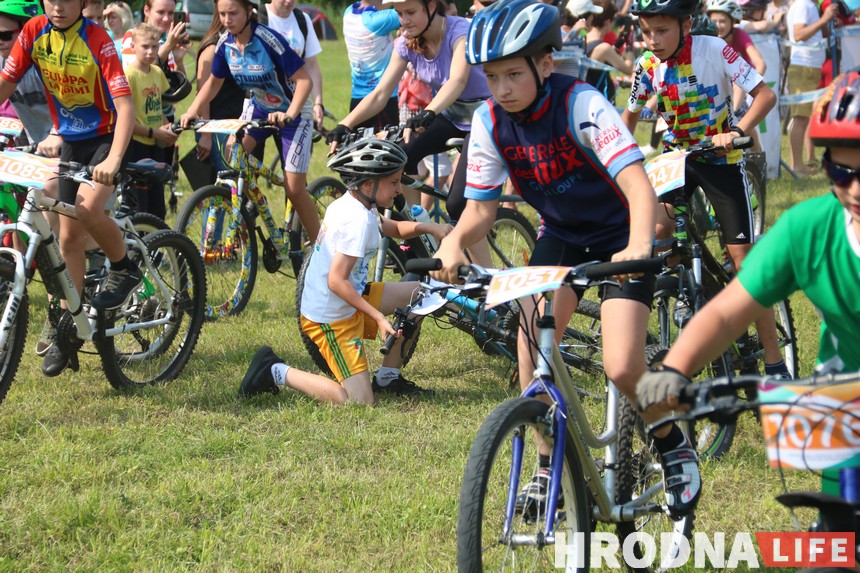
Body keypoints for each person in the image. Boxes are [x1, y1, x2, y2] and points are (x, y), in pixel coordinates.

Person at [433, 0, 700, 519]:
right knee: (531, 346)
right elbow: (481, 210)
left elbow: (638, 188)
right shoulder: (490, 120)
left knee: (622, 365)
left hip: (623, 229)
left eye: (513, 73)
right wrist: (452, 241)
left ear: (545, 66)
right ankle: (545, 467)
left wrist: (638, 248)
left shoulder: (582, 104)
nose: (502, 87)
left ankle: (671, 442)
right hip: (561, 232)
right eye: (492, 76)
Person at [637, 69, 860, 498]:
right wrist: (672, 369)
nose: (854, 188)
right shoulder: (808, 229)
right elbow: (724, 313)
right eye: (839, 168)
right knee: (835, 549)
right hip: (844, 407)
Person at [622, 0, 790, 381]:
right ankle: (685, 293)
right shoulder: (646, 65)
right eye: (646, 32)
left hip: (720, 157)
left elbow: (765, 96)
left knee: (744, 262)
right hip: (675, 158)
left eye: (661, 31)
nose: (653, 40)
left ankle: (774, 360)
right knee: (659, 233)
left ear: (685, 24)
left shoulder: (714, 49)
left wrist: (738, 132)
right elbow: (628, 118)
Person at [238, 138, 452, 403]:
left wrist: (429, 227)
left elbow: (389, 227)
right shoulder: (356, 221)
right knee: (358, 401)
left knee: (421, 294)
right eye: (394, 182)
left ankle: (388, 378)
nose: (399, 189)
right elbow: (336, 281)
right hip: (330, 317)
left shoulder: (357, 204)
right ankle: (274, 370)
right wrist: (378, 317)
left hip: (350, 298)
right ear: (367, 183)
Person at [0, 0, 139, 376]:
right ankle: (70, 329)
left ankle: (125, 268)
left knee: (87, 209)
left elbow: (125, 107)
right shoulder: (33, 32)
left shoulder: (98, 40)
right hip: (70, 141)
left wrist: (112, 161)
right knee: (66, 237)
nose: (58, 6)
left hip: (108, 138)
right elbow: (5, 84)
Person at [327, 0, 491, 221]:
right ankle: (417, 226)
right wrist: (345, 124)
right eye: (399, 13)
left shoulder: (459, 31)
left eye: (411, 12)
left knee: (456, 205)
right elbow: (380, 93)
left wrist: (429, 111)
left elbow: (458, 81)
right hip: (451, 116)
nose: (404, 20)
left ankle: (474, 253)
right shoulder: (406, 42)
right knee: (399, 155)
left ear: (431, 7)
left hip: (484, 119)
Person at [180, 0, 320, 242]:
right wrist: (192, 110)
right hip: (260, 107)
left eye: (233, 13)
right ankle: (250, 218)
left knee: (294, 189)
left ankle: (321, 244)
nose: (226, 20)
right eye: (222, 14)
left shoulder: (268, 40)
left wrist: (289, 114)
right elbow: (213, 82)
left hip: (294, 112)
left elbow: (304, 81)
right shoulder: (225, 43)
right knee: (232, 156)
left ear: (249, 10)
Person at [123, 22, 178, 219]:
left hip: (157, 144)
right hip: (137, 146)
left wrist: (166, 128)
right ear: (133, 46)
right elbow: (125, 121)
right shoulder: (129, 75)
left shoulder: (157, 72)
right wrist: (154, 132)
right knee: (139, 204)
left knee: (157, 204)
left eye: (155, 46)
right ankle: (138, 246)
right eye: (145, 46)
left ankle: (158, 246)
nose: (150, 51)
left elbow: (159, 105)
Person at [785, 0, 838, 174]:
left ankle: (798, 164)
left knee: (803, 117)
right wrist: (825, 19)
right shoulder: (804, 5)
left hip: (808, 67)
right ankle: (797, 166)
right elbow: (799, 34)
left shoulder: (806, 5)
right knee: (800, 118)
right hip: (803, 67)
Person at [706, 0, 767, 149]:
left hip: (741, 89)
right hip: (720, 90)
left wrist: (749, 84)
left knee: (746, 127)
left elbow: (760, 64)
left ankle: (757, 161)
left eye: (723, 21)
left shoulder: (740, 35)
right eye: (714, 21)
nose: (718, 25)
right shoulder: (708, 39)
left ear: (733, 21)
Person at [191, 12, 245, 177]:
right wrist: (206, 134)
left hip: (234, 124)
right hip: (216, 127)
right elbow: (202, 92)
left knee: (238, 184)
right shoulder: (213, 47)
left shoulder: (237, 43)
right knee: (225, 184)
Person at [342, 0, 402, 129]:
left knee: (361, 148)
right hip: (380, 101)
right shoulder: (379, 20)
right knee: (385, 149)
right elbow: (416, 10)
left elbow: (378, 4)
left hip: (357, 100)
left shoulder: (349, 13)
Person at [576, 0, 636, 104]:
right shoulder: (603, 48)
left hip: (589, 98)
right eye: (614, 20)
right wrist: (630, 45)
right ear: (607, 21)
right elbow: (628, 69)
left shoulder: (584, 38)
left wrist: (619, 42)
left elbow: (602, 57)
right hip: (601, 100)